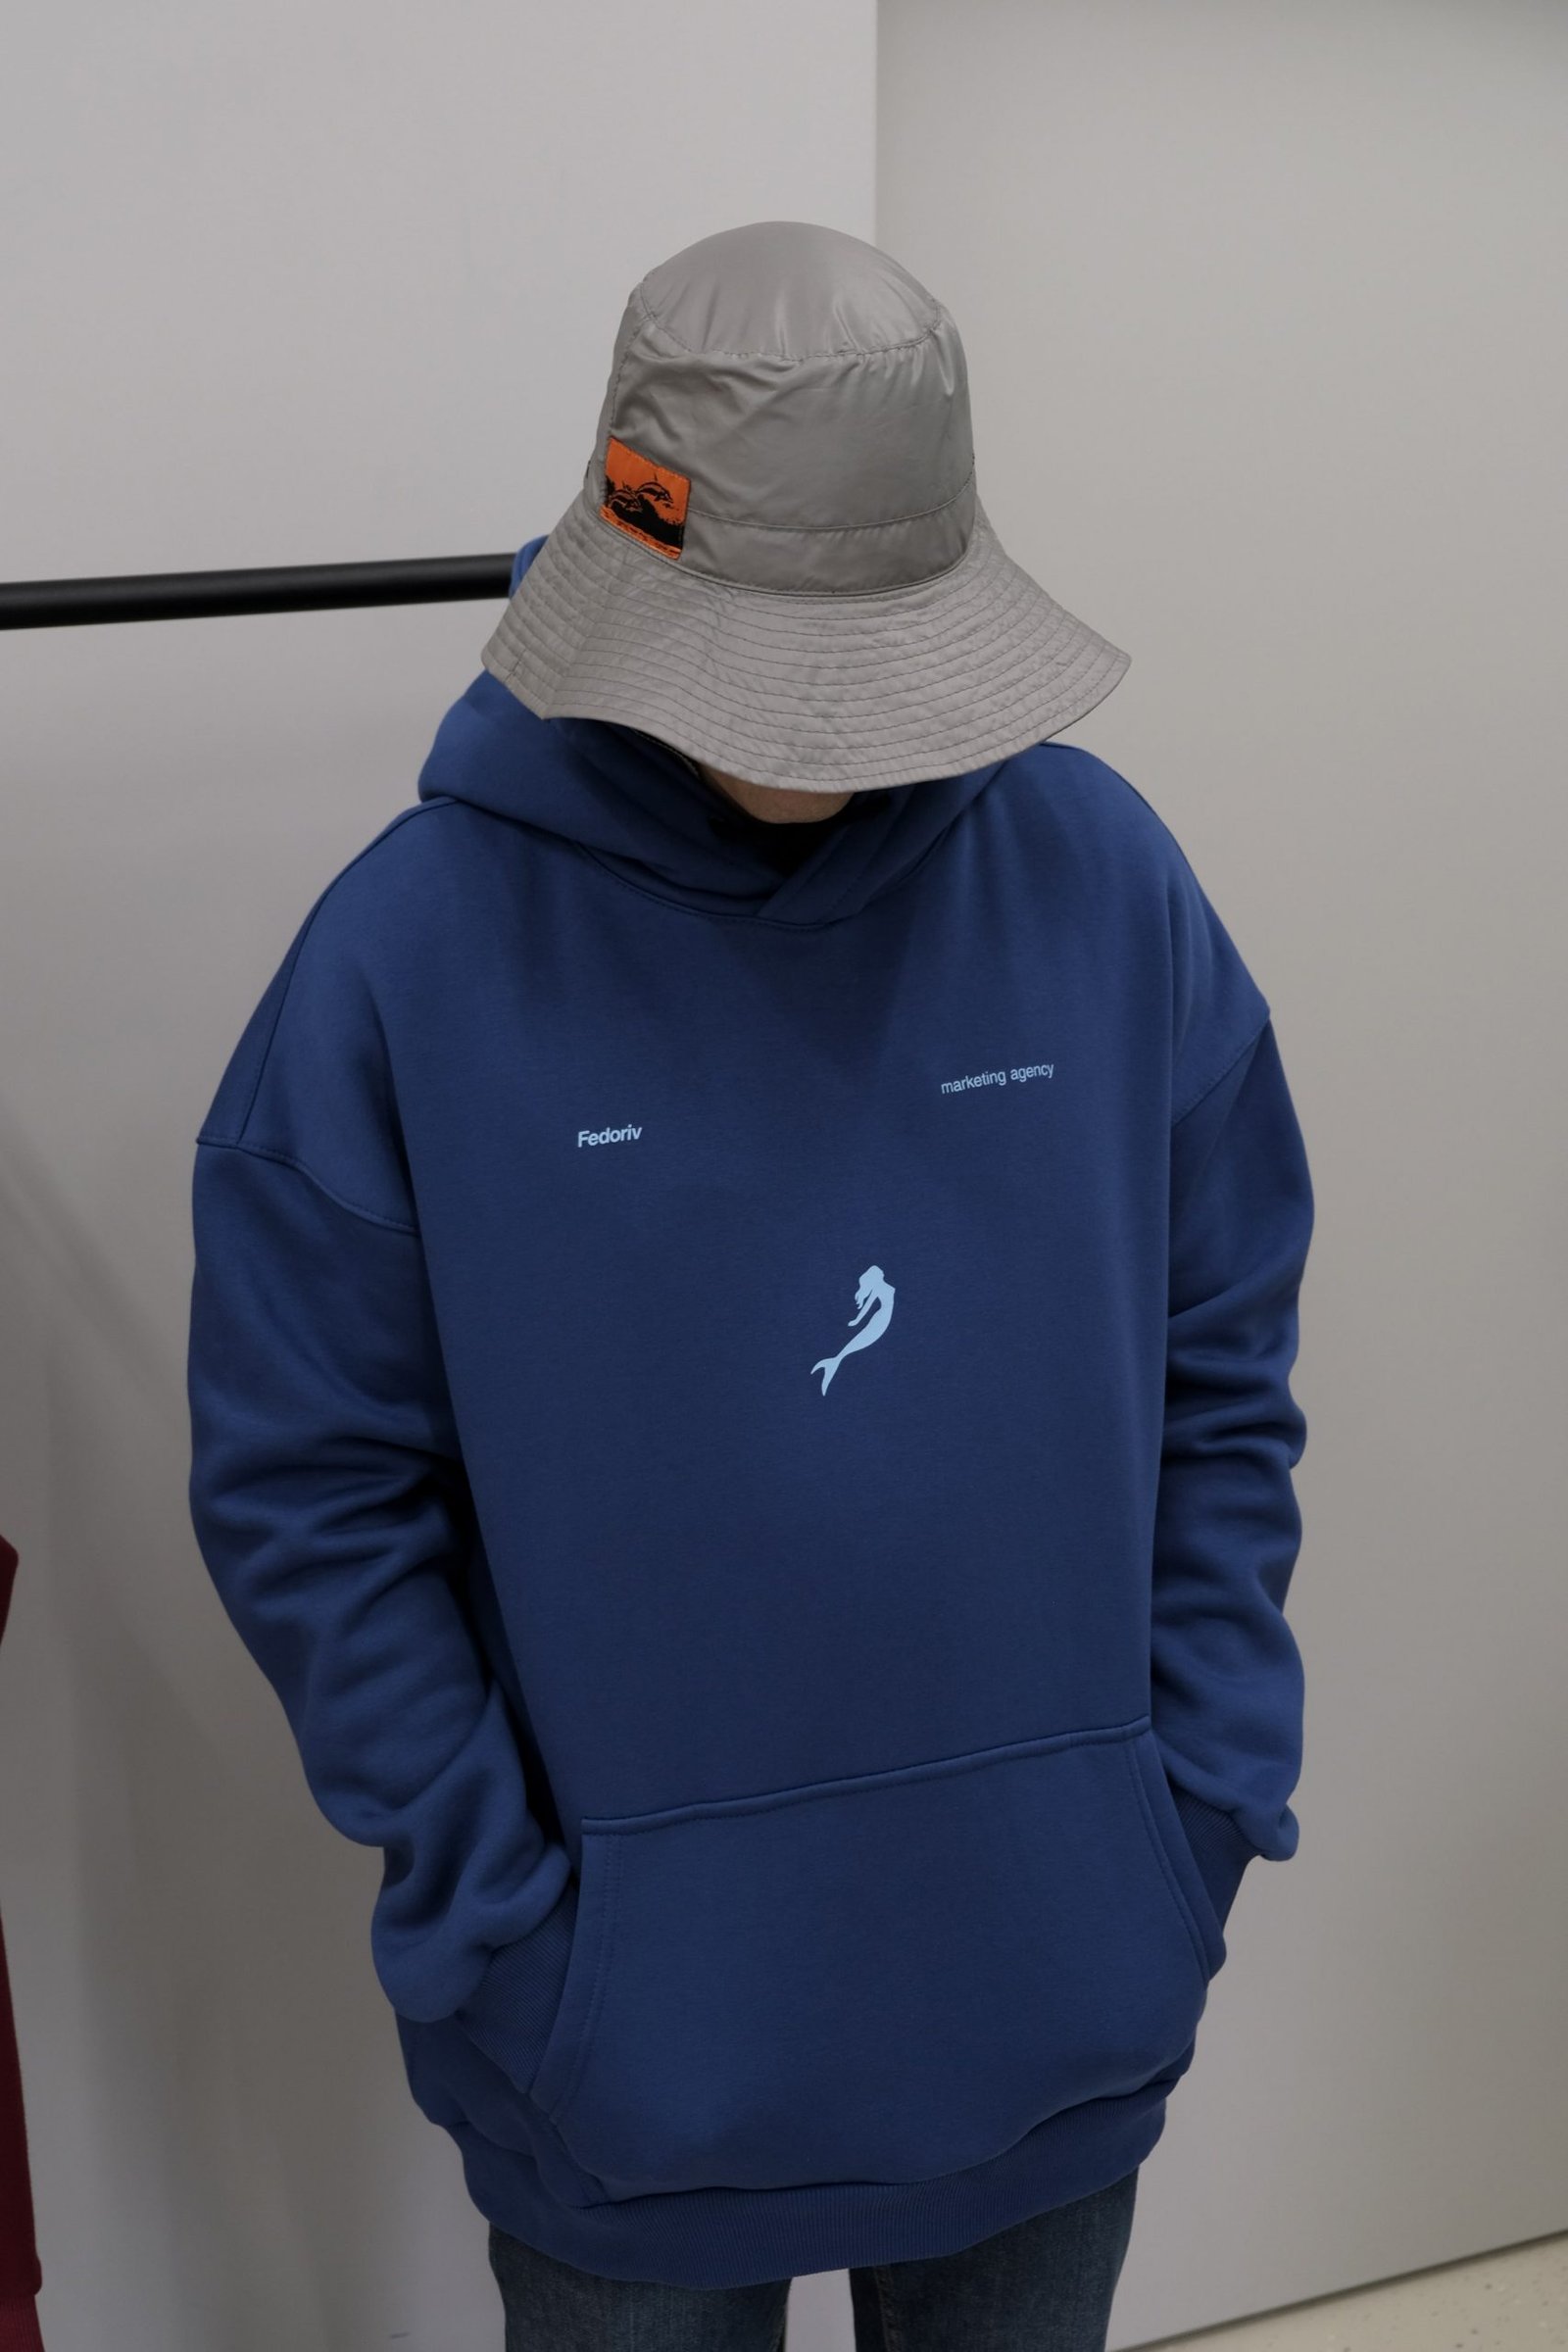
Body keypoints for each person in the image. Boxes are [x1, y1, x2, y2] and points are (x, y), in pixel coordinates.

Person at [185, 220, 1313, 2350]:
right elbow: (307, 1496)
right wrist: (508, 1928)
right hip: (613, 2080)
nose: (818, 727)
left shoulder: (1105, 892)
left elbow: (1224, 1360)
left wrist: (1189, 1812)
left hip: (1058, 2007)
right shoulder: (406, 963)